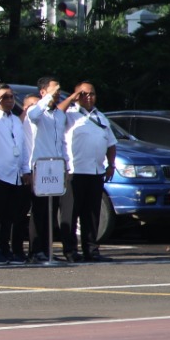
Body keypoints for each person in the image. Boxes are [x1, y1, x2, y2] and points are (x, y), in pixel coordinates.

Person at [59, 81, 117, 262]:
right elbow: (56, 113)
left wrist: (111, 164)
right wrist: (71, 99)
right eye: (83, 94)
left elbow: (111, 143)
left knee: (91, 214)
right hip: (74, 171)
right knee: (70, 213)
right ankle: (70, 250)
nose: (88, 97)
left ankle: (91, 249)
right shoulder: (69, 115)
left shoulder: (101, 117)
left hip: (96, 171)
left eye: (91, 93)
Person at [0, 84, 31, 265]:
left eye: (11, 97)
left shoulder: (16, 120)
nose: (9, 100)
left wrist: (26, 169)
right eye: (5, 97)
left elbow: (23, 147)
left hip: (14, 174)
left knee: (9, 216)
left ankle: (4, 248)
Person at [25, 77, 68, 262]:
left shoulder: (59, 114)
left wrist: (65, 164)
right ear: (43, 92)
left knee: (52, 210)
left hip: (56, 165)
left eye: (59, 92)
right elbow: (33, 115)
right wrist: (46, 99)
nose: (57, 94)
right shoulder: (37, 111)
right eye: (54, 91)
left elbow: (62, 142)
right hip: (41, 166)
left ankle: (47, 248)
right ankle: (36, 251)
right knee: (40, 210)